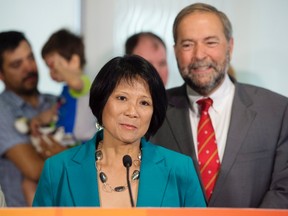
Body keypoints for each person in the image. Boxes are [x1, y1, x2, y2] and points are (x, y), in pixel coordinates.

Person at [151, 3, 288, 208]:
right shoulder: (153, 111)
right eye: (188, 44)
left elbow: (283, 190)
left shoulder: (277, 111)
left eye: (211, 42)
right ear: (175, 51)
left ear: (230, 46)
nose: (199, 55)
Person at [32, 55, 206, 207]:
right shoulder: (57, 170)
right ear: (102, 101)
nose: (132, 112)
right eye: (122, 98)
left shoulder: (180, 170)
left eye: (144, 103)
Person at [0, 31, 65, 206]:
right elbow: (35, 170)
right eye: (16, 64)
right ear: (1, 74)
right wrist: (73, 156)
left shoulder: (56, 102)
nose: (28, 68)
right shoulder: (3, 110)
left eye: (30, 58)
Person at [40, 28, 96, 146]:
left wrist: (60, 68)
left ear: (74, 61)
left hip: (83, 144)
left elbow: (76, 84)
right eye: (49, 67)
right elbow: (58, 108)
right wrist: (43, 117)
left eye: (53, 65)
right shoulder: (66, 89)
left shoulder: (84, 82)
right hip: (67, 142)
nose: (52, 71)